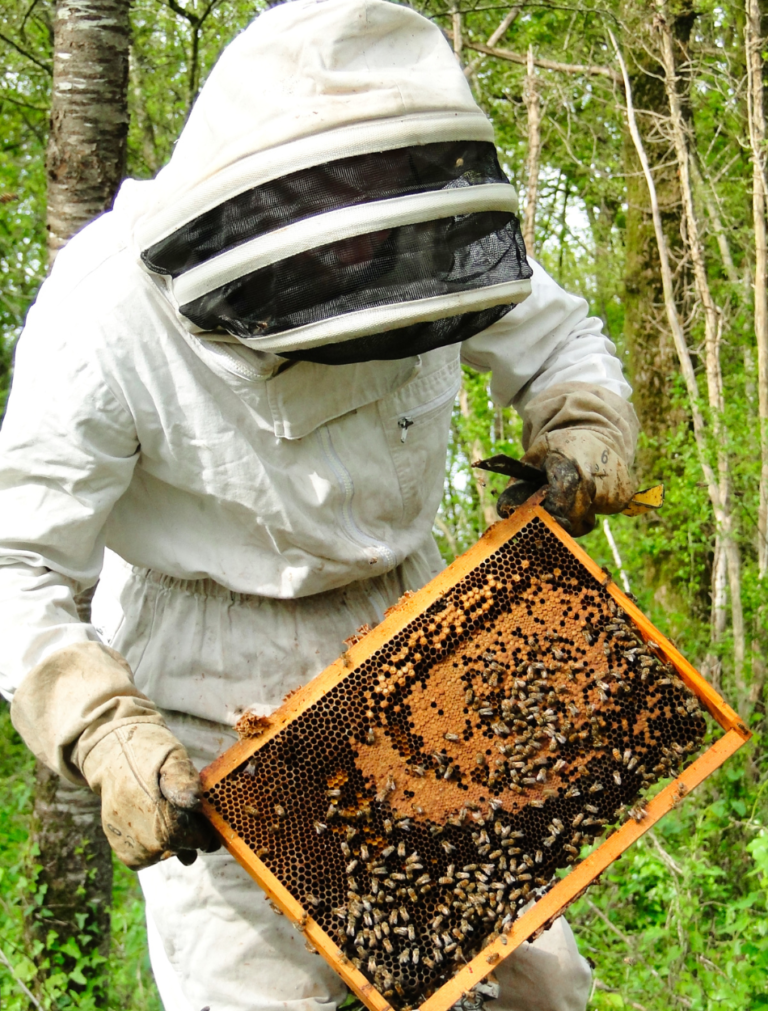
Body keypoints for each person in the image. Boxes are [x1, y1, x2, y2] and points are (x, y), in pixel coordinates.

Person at [0, 1, 638, 1009]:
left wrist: (581, 428)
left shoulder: (419, 232)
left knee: (532, 984)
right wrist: (100, 726)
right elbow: (18, 564)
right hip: (216, 688)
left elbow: (561, 342)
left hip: (420, 635)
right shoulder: (100, 314)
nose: (356, 269)